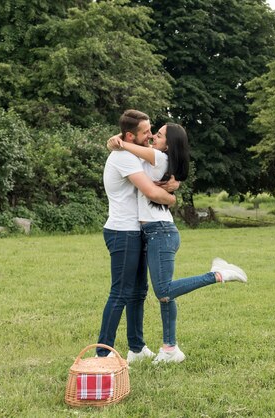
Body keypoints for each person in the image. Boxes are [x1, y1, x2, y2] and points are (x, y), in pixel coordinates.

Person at [108, 122, 248, 363]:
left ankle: (218, 274)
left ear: (168, 144)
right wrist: (116, 140)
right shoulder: (158, 159)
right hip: (155, 231)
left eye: (159, 134)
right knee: (166, 293)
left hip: (159, 231)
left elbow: (131, 147)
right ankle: (170, 349)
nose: (153, 137)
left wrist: (118, 141)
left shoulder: (159, 158)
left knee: (163, 290)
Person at [97, 110, 179, 362]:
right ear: (131, 135)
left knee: (138, 292)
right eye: (146, 132)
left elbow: (158, 171)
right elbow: (151, 192)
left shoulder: (131, 152)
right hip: (122, 231)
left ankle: (137, 348)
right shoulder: (123, 157)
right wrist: (172, 197)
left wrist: (173, 182)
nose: (150, 135)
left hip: (136, 231)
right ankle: (103, 354)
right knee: (120, 292)